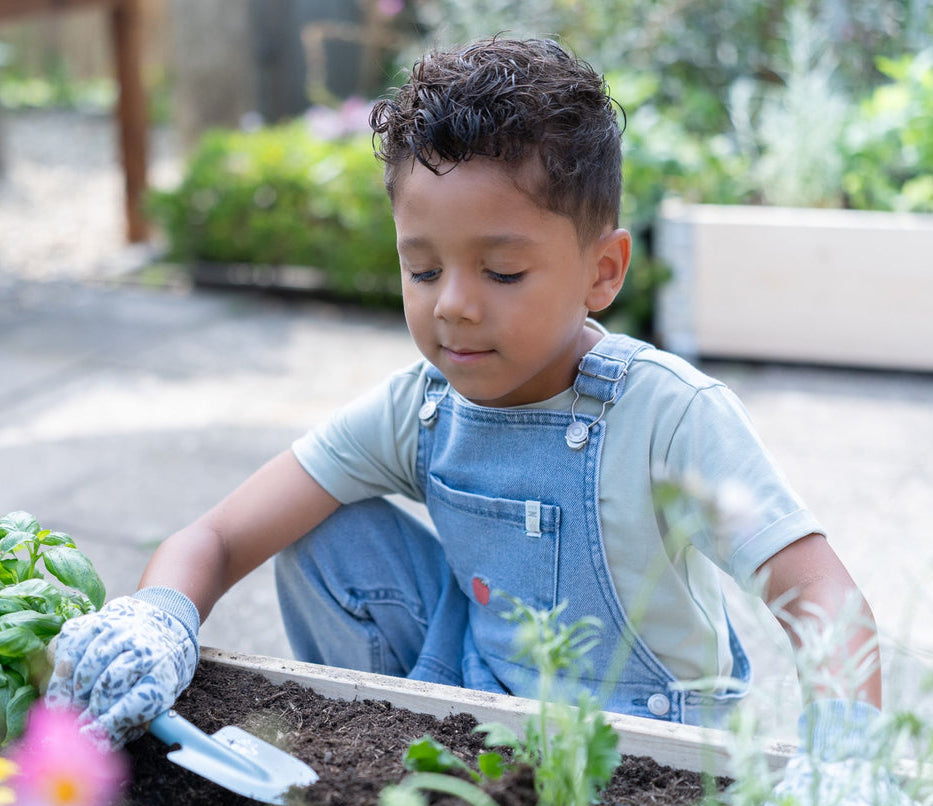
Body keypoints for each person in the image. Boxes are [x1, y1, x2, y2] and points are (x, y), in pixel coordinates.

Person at [47, 36, 881, 748]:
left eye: (503, 270)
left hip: (653, 747)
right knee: (322, 525)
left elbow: (817, 591)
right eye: (423, 267)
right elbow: (223, 534)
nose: (453, 303)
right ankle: (388, 753)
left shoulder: (666, 415)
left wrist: (846, 760)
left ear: (602, 271)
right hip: (473, 712)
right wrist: (157, 617)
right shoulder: (422, 406)